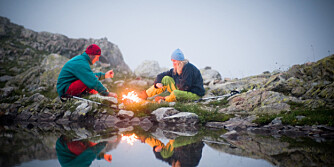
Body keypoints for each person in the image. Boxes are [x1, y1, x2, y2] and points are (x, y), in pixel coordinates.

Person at [139, 48, 205, 102]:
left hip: (194, 93)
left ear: (180, 61)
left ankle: (164, 100)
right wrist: (158, 83)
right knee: (166, 78)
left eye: (174, 61)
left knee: (175, 93)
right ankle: (145, 94)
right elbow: (161, 75)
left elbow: (185, 87)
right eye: (172, 61)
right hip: (182, 90)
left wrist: (170, 94)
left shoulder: (188, 68)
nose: (173, 63)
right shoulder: (175, 69)